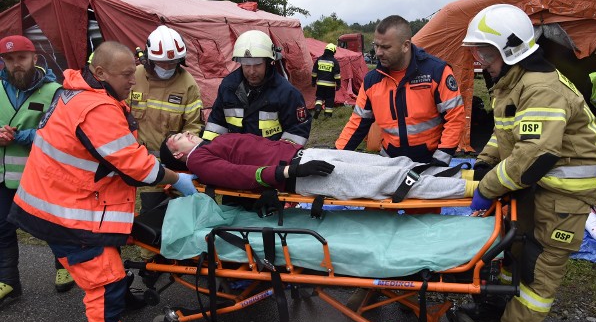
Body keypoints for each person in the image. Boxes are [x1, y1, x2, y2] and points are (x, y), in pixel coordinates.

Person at [7, 41, 197, 322]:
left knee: (109, 255)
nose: (133, 82)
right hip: (66, 213)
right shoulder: (97, 108)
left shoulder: (77, 94)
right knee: (104, 278)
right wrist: (175, 178)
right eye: (127, 75)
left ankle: (121, 300)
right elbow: (133, 164)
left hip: (61, 201)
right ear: (100, 73)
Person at [461, 4, 596, 322]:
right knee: (515, 250)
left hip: (563, 197)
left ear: (509, 50)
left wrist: (487, 187)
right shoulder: (514, 82)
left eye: (485, 52)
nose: (480, 61)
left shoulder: (541, 88)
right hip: (534, 187)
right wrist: (485, 161)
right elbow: (506, 133)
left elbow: (535, 156)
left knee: (540, 266)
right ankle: (497, 303)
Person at [162, 131, 478, 202]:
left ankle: (460, 172)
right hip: (301, 175)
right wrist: (288, 172)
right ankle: (469, 186)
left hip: (305, 156)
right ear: (177, 155)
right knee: (389, 180)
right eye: (177, 139)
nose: (184, 134)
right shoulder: (200, 160)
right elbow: (239, 176)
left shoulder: (208, 143)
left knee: (390, 164)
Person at [0, 35, 75, 307]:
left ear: (35, 58)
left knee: (51, 227)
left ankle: (64, 265)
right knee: (2, 230)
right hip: (3, 176)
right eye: (9, 59)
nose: (15, 64)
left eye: (21, 58)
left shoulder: (55, 91)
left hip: (40, 176)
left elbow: (61, 135)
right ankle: (8, 281)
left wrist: (22, 136)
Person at [335, 15, 465, 166]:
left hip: (431, 161)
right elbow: (357, 124)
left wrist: (441, 158)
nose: (378, 53)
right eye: (376, 45)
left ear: (405, 46)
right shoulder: (372, 81)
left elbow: (455, 118)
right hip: (390, 161)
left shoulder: (437, 72)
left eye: (385, 47)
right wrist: (335, 155)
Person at [202, 30, 310, 146]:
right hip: (234, 156)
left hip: (271, 159)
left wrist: (278, 156)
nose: (252, 71)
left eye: (257, 65)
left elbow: (296, 133)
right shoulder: (228, 87)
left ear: (268, 62)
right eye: (247, 65)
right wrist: (209, 149)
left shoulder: (287, 93)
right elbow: (216, 126)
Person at [129, 25, 203, 156]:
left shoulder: (188, 84)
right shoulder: (134, 77)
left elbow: (192, 126)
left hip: (168, 162)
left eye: (173, 62)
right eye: (162, 63)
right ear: (149, 59)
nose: (167, 67)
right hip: (133, 157)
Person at [311, 43, 341, 119]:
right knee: (329, 99)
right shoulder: (334, 61)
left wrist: (313, 81)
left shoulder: (319, 60)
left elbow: (314, 72)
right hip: (330, 86)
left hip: (320, 84)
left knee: (319, 97)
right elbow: (337, 75)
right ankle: (327, 115)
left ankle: (318, 108)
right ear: (333, 51)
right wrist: (338, 84)